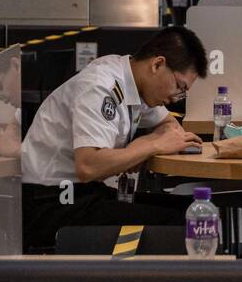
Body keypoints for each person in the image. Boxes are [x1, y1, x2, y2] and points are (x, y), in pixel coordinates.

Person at [20, 27, 207, 251]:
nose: (176, 98)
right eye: (179, 86)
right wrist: (151, 145)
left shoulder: (135, 82)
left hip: (83, 194)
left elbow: (170, 127)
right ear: (157, 64)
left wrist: (140, 147)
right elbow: (88, 166)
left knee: (188, 210)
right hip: (52, 203)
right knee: (175, 223)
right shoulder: (100, 86)